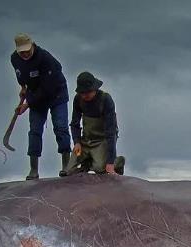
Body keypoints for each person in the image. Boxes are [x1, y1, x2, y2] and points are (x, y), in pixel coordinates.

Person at [10, 33, 71, 180]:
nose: (25, 54)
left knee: (60, 127)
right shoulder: (15, 59)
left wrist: (27, 104)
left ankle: (67, 166)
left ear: (32, 45)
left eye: (27, 50)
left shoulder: (45, 59)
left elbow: (47, 88)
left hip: (56, 94)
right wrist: (23, 87)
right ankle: (33, 169)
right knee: (35, 130)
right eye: (21, 51)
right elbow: (21, 75)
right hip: (35, 95)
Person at [63, 71, 125, 176]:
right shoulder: (78, 99)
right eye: (82, 92)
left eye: (88, 92)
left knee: (100, 169)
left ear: (95, 88)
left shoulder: (105, 100)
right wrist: (77, 142)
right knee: (68, 171)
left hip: (101, 140)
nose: (85, 95)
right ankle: (86, 163)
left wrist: (110, 162)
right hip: (85, 141)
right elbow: (75, 124)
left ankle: (117, 162)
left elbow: (111, 132)